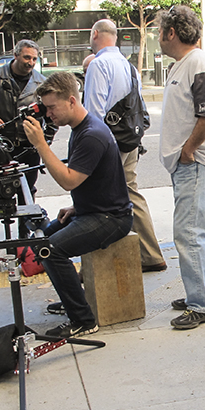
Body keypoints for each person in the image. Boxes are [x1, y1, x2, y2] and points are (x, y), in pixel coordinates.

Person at [22, 72, 132, 339]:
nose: (48, 114)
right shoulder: (81, 128)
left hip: (112, 218)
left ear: (71, 101)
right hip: (93, 210)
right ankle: (73, 298)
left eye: (52, 107)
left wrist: (40, 145)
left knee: (52, 250)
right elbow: (90, 179)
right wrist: (77, 207)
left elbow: (68, 181)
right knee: (43, 239)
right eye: (46, 108)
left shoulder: (91, 134)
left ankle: (83, 320)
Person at [157, 5, 205, 330]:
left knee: (188, 234)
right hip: (188, 165)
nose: (158, 38)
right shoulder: (183, 64)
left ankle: (202, 305)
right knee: (196, 234)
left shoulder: (197, 62)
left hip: (195, 165)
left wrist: (188, 150)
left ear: (171, 32)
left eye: (160, 32)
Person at [83, 19, 166, 273]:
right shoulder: (129, 67)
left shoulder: (98, 64)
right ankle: (151, 254)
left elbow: (94, 112)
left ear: (95, 34)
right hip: (130, 140)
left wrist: (93, 152)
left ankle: (96, 267)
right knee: (130, 192)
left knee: (94, 198)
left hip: (108, 144)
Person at [0, 40, 56, 199]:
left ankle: (27, 224)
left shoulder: (42, 83)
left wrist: (44, 142)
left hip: (28, 150)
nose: (31, 63)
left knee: (27, 194)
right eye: (27, 58)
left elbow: (52, 118)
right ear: (15, 55)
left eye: (34, 59)